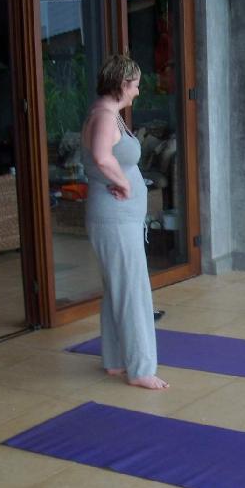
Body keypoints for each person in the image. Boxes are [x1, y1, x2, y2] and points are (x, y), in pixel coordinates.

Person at [82, 54, 168, 390]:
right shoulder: (104, 116)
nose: (138, 92)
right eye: (135, 85)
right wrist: (123, 183)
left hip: (117, 218)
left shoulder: (107, 114)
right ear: (121, 84)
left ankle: (116, 360)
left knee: (118, 288)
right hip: (113, 218)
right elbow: (103, 158)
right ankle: (141, 369)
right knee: (133, 291)